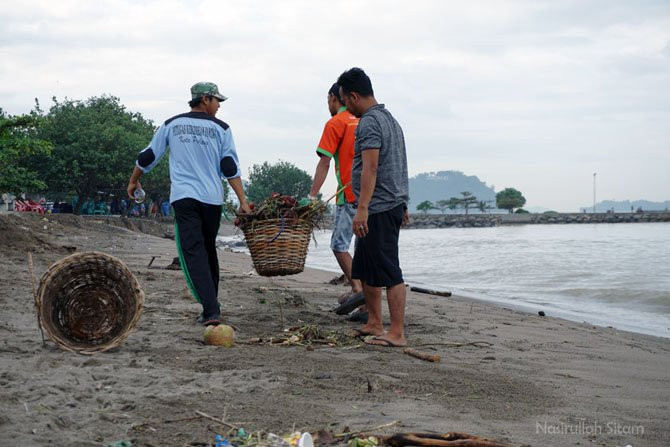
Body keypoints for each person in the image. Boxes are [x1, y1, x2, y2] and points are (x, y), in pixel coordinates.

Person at [127, 81, 251, 326]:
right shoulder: (222, 129)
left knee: (194, 253)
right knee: (207, 251)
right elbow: (229, 167)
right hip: (211, 200)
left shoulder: (172, 124)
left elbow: (149, 155)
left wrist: (134, 181)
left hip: (184, 198)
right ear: (205, 99)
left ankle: (211, 310)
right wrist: (243, 200)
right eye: (217, 101)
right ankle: (211, 307)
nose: (218, 106)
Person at [337, 67, 410, 347]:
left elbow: (371, 167)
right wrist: (403, 202)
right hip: (388, 202)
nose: (346, 107)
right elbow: (399, 165)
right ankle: (375, 322)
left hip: (378, 207)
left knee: (389, 270)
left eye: (345, 101)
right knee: (366, 268)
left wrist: (362, 208)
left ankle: (397, 333)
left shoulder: (369, 122)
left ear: (354, 96)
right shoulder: (390, 120)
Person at [308, 83, 364, 313]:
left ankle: (359, 292)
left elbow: (324, 161)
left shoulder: (336, 123)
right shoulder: (364, 120)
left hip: (348, 195)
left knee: (339, 246)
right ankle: (360, 298)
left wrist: (312, 196)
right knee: (362, 251)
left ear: (334, 98)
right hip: (370, 197)